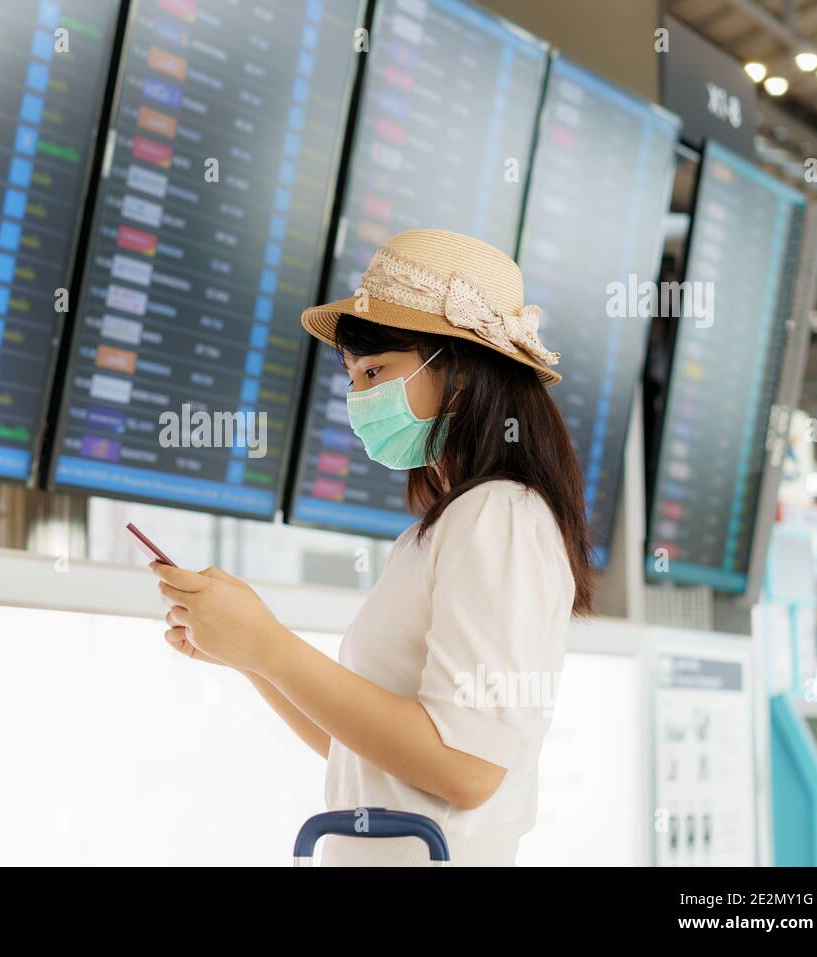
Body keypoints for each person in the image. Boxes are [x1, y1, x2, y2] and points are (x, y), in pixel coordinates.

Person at [149, 229, 594, 866]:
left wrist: (271, 645)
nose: (358, 397)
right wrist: (251, 656)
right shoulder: (447, 527)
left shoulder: (499, 515)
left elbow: (470, 769)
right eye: (354, 377)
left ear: (460, 372)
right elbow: (363, 755)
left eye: (375, 371)